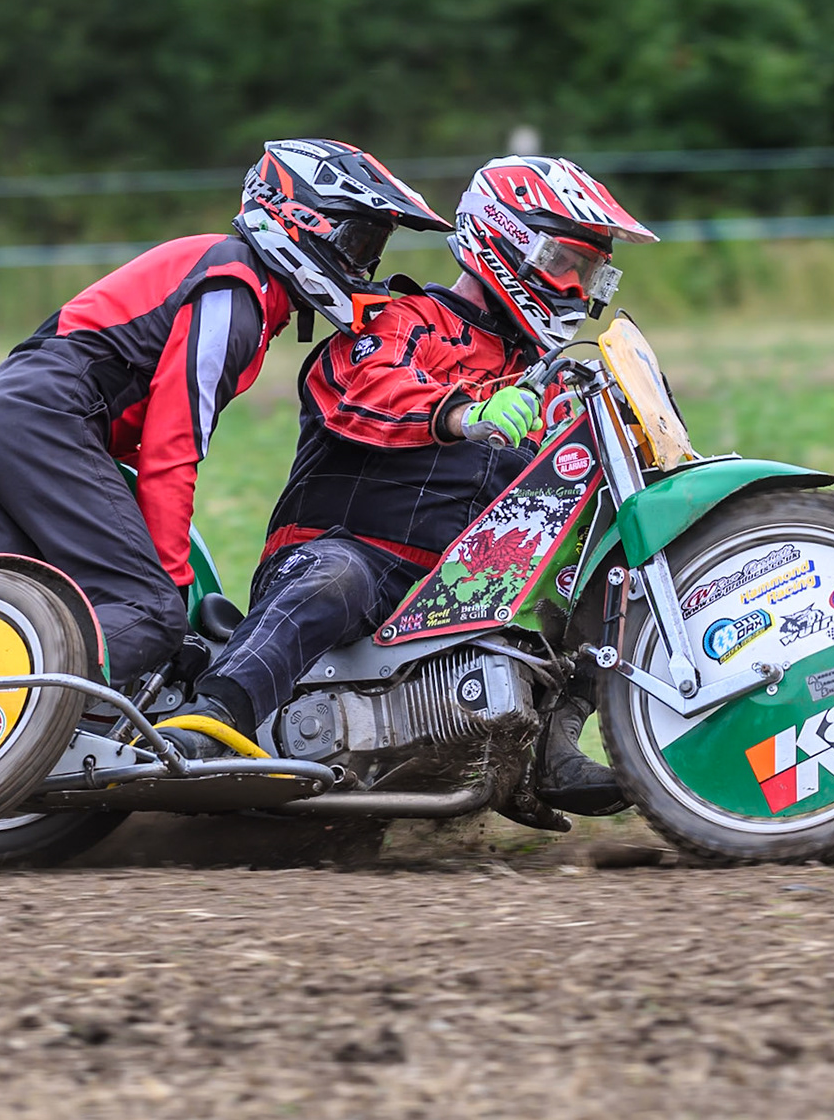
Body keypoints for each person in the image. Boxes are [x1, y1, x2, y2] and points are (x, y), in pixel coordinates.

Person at [0, 139, 450, 715]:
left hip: (10, 423)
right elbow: (175, 449)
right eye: (359, 240)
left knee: (19, 619)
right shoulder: (235, 292)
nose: (366, 266)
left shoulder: (241, 292)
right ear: (300, 218)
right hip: (43, 422)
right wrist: (170, 588)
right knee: (144, 615)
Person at [164, 155, 657, 816]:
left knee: (606, 573)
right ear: (510, 240)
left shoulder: (539, 378)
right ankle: (208, 719)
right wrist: (462, 413)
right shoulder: (403, 319)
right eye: (567, 263)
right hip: (343, 554)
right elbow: (359, 388)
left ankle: (551, 744)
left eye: (592, 272)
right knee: (339, 574)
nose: (576, 287)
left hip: (451, 594)